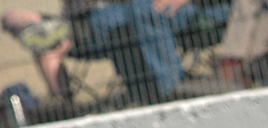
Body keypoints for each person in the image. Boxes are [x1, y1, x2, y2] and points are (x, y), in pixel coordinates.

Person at [1, 0, 230, 104]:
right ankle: (67, 108)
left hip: (171, 12)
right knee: (38, 40)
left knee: (130, 12)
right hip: (92, 23)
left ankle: (170, 87)